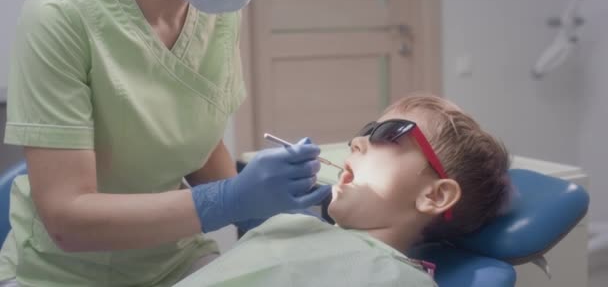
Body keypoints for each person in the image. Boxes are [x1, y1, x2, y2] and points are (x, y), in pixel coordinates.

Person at [0, 0, 332, 286]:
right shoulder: (59, 14)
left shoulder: (217, 9)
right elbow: (68, 222)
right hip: (63, 274)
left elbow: (192, 134)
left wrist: (273, 216)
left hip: (174, 262)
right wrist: (229, 199)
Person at [174, 94, 512, 287]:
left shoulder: (397, 279)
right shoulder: (294, 226)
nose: (358, 141)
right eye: (368, 130)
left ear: (434, 195)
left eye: (390, 133)